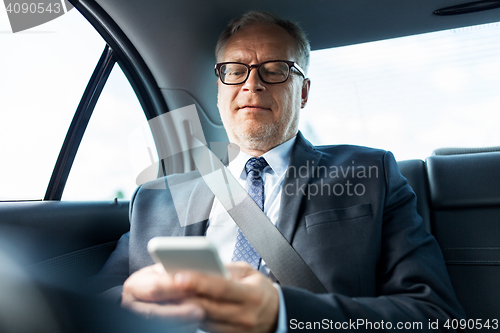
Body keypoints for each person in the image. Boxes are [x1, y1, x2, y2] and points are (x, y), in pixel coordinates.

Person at [97, 11, 465, 332]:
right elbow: (95, 302)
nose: (251, 83)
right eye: (235, 71)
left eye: (275, 70)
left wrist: (283, 313)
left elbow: (434, 316)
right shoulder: (154, 197)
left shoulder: (371, 173)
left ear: (303, 93)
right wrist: (130, 304)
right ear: (219, 90)